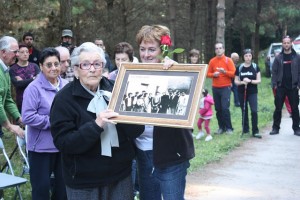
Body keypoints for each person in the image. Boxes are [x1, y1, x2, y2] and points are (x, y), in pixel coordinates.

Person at [50, 42, 144, 199]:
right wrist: (96, 125)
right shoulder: (64, 100)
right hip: (84, 181)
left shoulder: (117, 89)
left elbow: (137, 130)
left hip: (120, 176)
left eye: (97, 64)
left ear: (103, 67)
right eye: (85, 64)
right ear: (76, 70)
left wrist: (126, 116)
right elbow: (64, 143)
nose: (92, 69)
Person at [135, 24, 195, 200]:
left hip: (171, 154)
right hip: (142, 151)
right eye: (142, 49)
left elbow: (188, 106)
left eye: (151, 49)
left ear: (163, 50)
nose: (146, 54)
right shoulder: (133, 74)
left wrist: (179, 75)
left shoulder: (175, 72)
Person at [22, 48, 68, 200]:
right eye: (49, 65)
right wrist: (53, 122)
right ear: (41, 66)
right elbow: (27, 117)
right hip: (41, 148)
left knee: (63, 190)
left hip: (63, 146)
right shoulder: (33, 88)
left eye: (56, 64)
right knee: (41, 190)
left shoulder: (66, 85)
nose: (54, 68)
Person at [270, 36, 300, 136]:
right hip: (280, 87)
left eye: (288, 42)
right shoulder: (278, 58)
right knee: (278, 108)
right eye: (284, 43)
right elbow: (274, 72)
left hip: (293, 87)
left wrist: (298, 85)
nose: (286, 44)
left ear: (291, 43)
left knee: (295, 109)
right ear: (282, 44)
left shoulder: (297, 57)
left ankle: (296, 129)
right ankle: (275, 128)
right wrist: (274, 85)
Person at [207, 42, 236, 134]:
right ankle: (221, 127)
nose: (218, 50)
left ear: (223, 49)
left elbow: (234, 73)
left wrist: (225, 72)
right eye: (217, 48)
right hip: (215, 88)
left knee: (225, 108)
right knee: (218, 109)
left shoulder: (228, 60)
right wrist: (213, 75)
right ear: (215, 50)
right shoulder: (212, 61)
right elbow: (207, 74)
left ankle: (229, 128)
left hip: (225, 87)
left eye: (220, 48)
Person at [0, 36, 24, 138]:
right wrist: (9, 126)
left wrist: (19, 118)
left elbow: (8, 99)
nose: (17, 55)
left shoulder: (5, 70)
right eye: (15, 52)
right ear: (3, 52)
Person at [234, 49, 262, 138]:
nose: (248, 57)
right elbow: (235, 81)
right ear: (243, 57)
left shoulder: (255, 67)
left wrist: (249, 81)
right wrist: (242, 82)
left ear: (252, 56)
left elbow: (259, 80)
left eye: (249, 56)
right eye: (246, 56)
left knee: (254, 111)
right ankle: (245, 129)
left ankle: (255, 131)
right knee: (244, 110)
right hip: (242, 92)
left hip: (253, 92)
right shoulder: (239, 68)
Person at [9, 44, 40, 112]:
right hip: (21, 100)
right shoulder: (13, 69)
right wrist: (34, 78)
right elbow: (18, 84)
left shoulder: (34, 66)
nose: (25, 54)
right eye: (22, 52)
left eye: (27, 52)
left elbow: (40, 80)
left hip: (35, 99)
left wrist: (23, 81)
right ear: (17, 54)